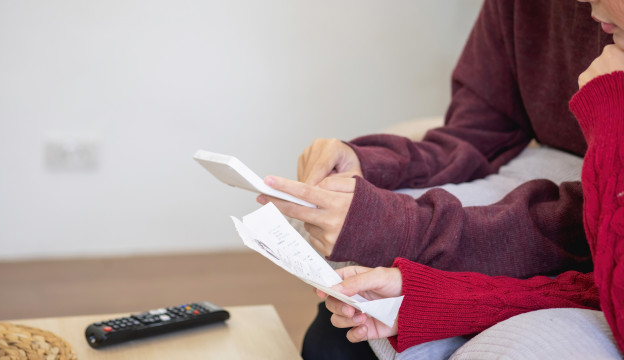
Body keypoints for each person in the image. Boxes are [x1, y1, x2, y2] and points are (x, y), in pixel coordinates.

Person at [256, 0, 614, 358]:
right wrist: (369, 162)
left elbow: (596, 224)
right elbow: (480, 126)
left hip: (585, 218)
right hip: (561, 196)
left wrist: (401, 227)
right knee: (332, 340)